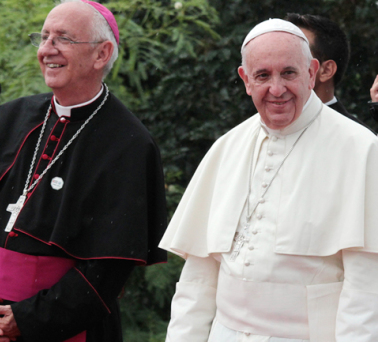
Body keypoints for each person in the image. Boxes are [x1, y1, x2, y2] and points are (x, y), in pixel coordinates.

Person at [0, 1, 167, 341]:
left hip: (67, 330)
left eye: (62, 38)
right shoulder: (8, 118)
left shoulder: (130, 144)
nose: (47, 49)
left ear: (101, 54)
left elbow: (107, 271)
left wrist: (27, 320)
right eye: (43, 37)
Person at [159, 18, 378, 341]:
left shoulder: (361, 149)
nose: (277, 89)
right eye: (263, 76)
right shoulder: (227, 147)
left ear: (311, 72)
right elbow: (198, 280)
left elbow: (365, 289)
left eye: (288, 73)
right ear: (246, 80)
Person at [285, 13, 373, 130]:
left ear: (326, 70)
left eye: (293, 53)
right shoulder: (257, 128)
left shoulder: (360, 140)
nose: (281, 62)